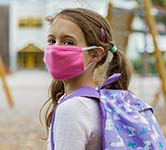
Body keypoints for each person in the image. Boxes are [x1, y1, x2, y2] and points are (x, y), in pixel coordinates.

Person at [41, 8, 166, 150]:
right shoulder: (103, 102)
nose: (55, 48)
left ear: (95, 54)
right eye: (51, 41)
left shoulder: (72, 109)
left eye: (68, 42)